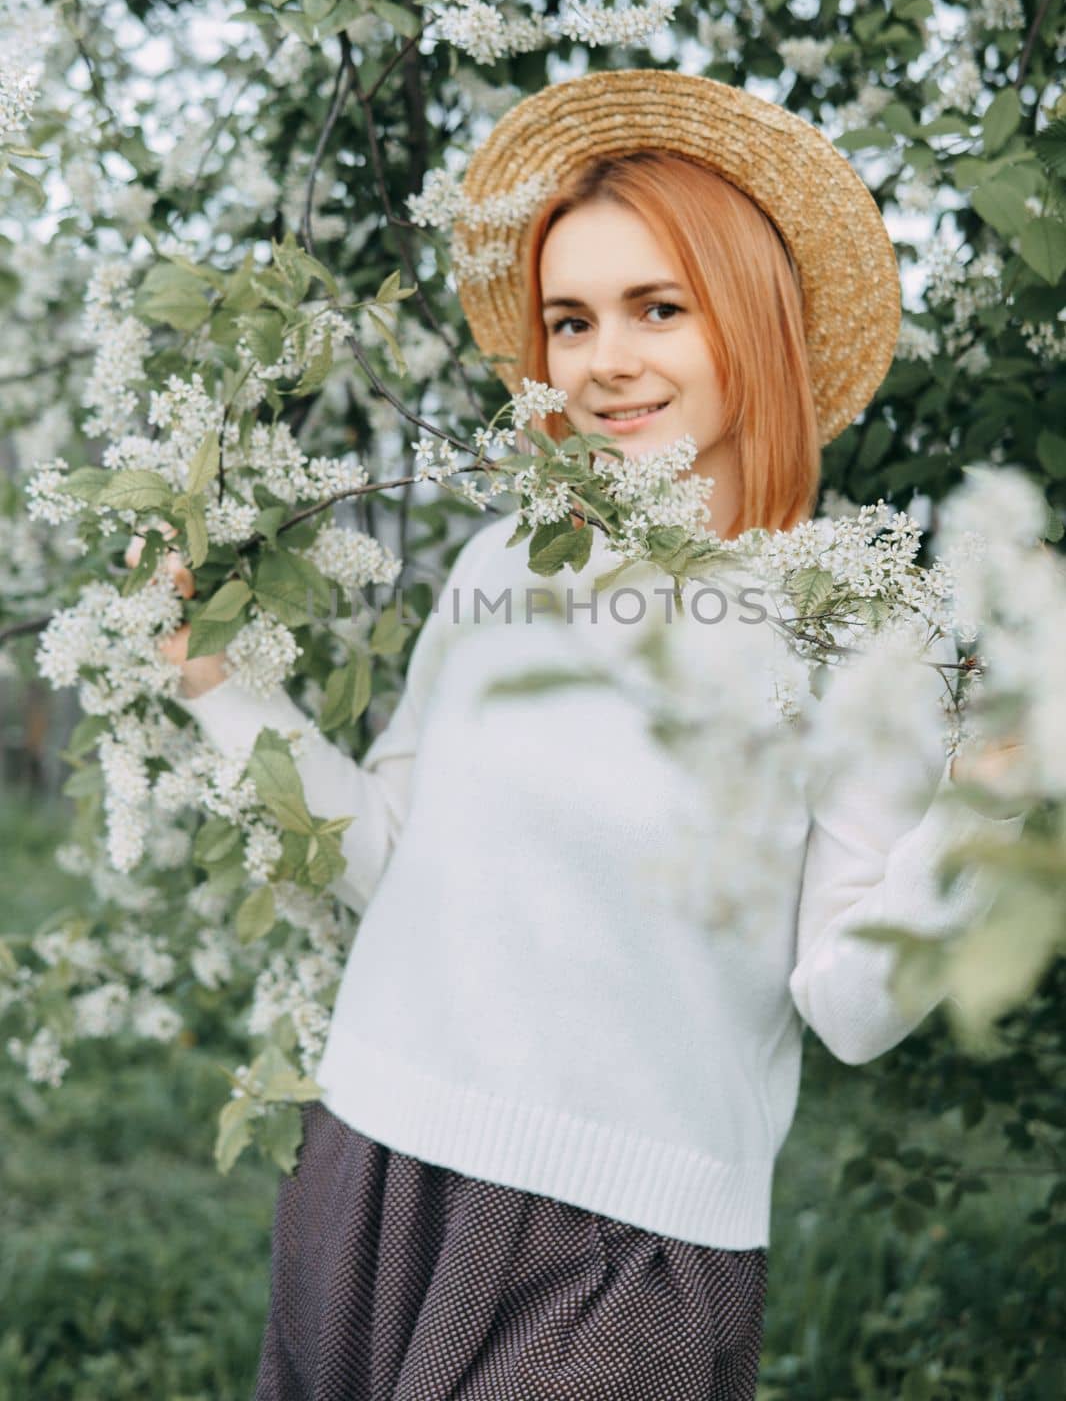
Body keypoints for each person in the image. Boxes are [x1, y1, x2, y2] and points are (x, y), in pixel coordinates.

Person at [128, 70, 1024, 1400]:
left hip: (629, 1239)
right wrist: (217, 686)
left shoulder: (852, 636)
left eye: (658, 307)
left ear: (751, 320)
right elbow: (392, 858)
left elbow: (847, 1005)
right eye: (570, 319)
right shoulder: (503, 564)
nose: (605, 361)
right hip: (377, 1163)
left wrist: (988, 808)